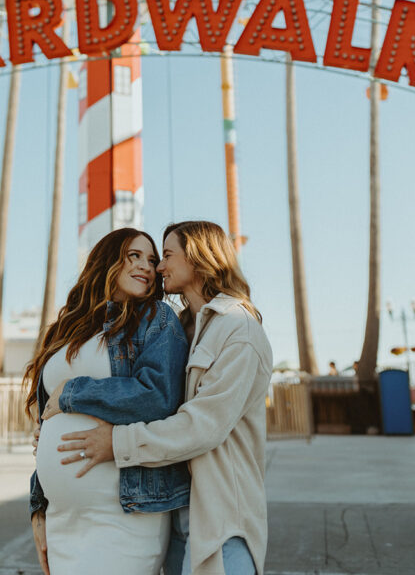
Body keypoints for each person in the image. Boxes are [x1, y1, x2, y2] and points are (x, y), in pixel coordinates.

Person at [54, 220, 273, 575]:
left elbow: (202, 426)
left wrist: (117, 442)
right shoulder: (183, 327)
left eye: (166, 255)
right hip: (175, 518)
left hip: (220, 524)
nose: (157, 267)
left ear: (198, 258)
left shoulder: (239, 329)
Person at [26, 227, 190, 575]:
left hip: (123, 512)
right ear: (108, 260)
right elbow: (46, 427)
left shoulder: (157, 320)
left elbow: (158, 396)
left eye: (152, 260)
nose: (147, 266)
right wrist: (37, 508)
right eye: (134, 256)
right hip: (62, 518)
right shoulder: (68, 329)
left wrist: (73, 392)